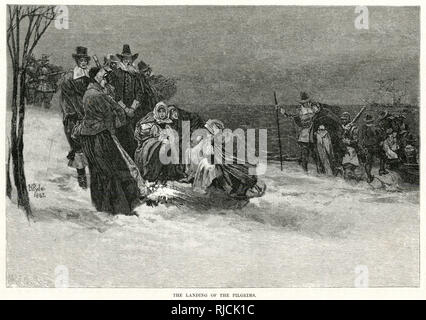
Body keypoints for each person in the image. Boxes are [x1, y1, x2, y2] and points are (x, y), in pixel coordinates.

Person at [72, 67, 140, 215]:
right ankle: (120, 209)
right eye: (103, 77)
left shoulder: (92, 93)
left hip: (91, 136)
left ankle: (102, 206)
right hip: (100, 136)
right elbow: (110, 114)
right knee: (112, 171)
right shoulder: (96, 95)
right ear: (95, 78)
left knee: (99, 172)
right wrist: (114, 129)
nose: (105, 79)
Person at [189, 119, 265, 199]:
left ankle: (233, 189)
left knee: (210, 165)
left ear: (215, 128)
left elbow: (211, 153)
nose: (209, 132)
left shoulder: (218, 138)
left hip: (228, 161)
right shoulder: (221, 136)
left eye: (210, 130)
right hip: (227, 160)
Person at [58, 46, 91, 189]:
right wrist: (74, 113)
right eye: (81, 60)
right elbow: (66, 99)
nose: (83, 62)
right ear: (77, 61)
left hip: (88, 114)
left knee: (90, 145)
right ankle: (82, 177)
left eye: (85, 60)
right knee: (78, 146)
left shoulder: (89, 76)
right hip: (74, 116)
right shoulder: (69, 77)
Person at [134, 101, 178, 183]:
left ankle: (165, 173)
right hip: (151, 140)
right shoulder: (151, 121)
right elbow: (144, 132)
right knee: (154, 149)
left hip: (163, 141)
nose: (161, 114)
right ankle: (152, 173)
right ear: (156, 112)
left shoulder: (167, 123)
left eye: (163, 111)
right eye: (159, 111)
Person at [358, 114, 383, 183]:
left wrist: (362, 148)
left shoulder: (362, 127)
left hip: (367, 147)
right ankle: (381, 170)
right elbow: (380, 137)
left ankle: (369, 177)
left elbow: (360, 139)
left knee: (368, 162)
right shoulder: (375, 127)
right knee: (383, 156)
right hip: (375, 146)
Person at [340, 112, 360, 180]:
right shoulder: (341, 127)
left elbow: (356, 141)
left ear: (348, 119)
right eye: (342, 119)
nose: (343, 121)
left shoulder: (353, 128)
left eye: (345, 119)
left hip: (350, 150)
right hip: (342, 149)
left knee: (349, 167)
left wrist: (348, 141)